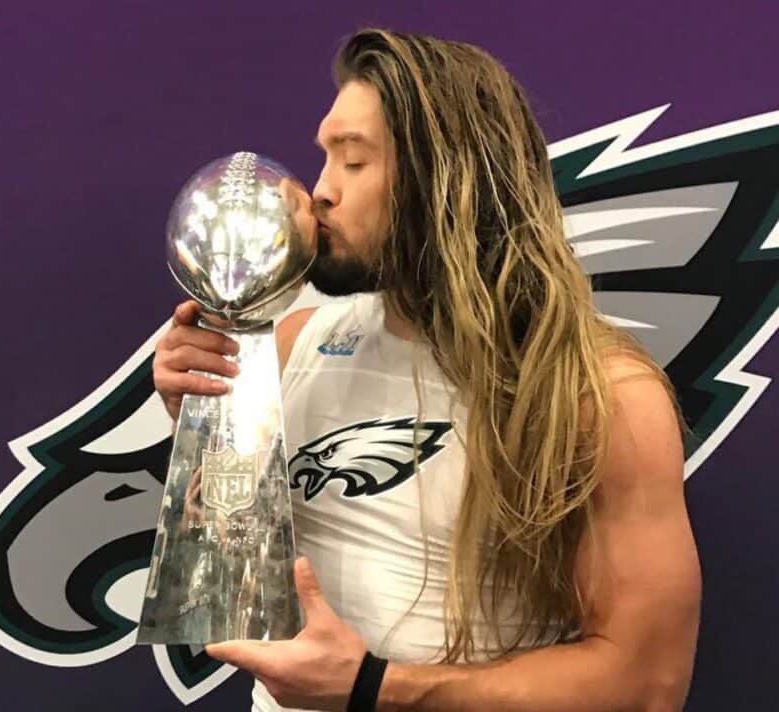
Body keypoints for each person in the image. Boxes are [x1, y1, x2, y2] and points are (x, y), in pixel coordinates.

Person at [153, 29, 701, 712]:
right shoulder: (292, 343)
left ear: (448, 176)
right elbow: (229, 570)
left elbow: (647, 684)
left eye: (353, 162)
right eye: (325, 157)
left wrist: (372, 689)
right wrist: (209, 421)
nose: (318, 191)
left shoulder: (601, 393)